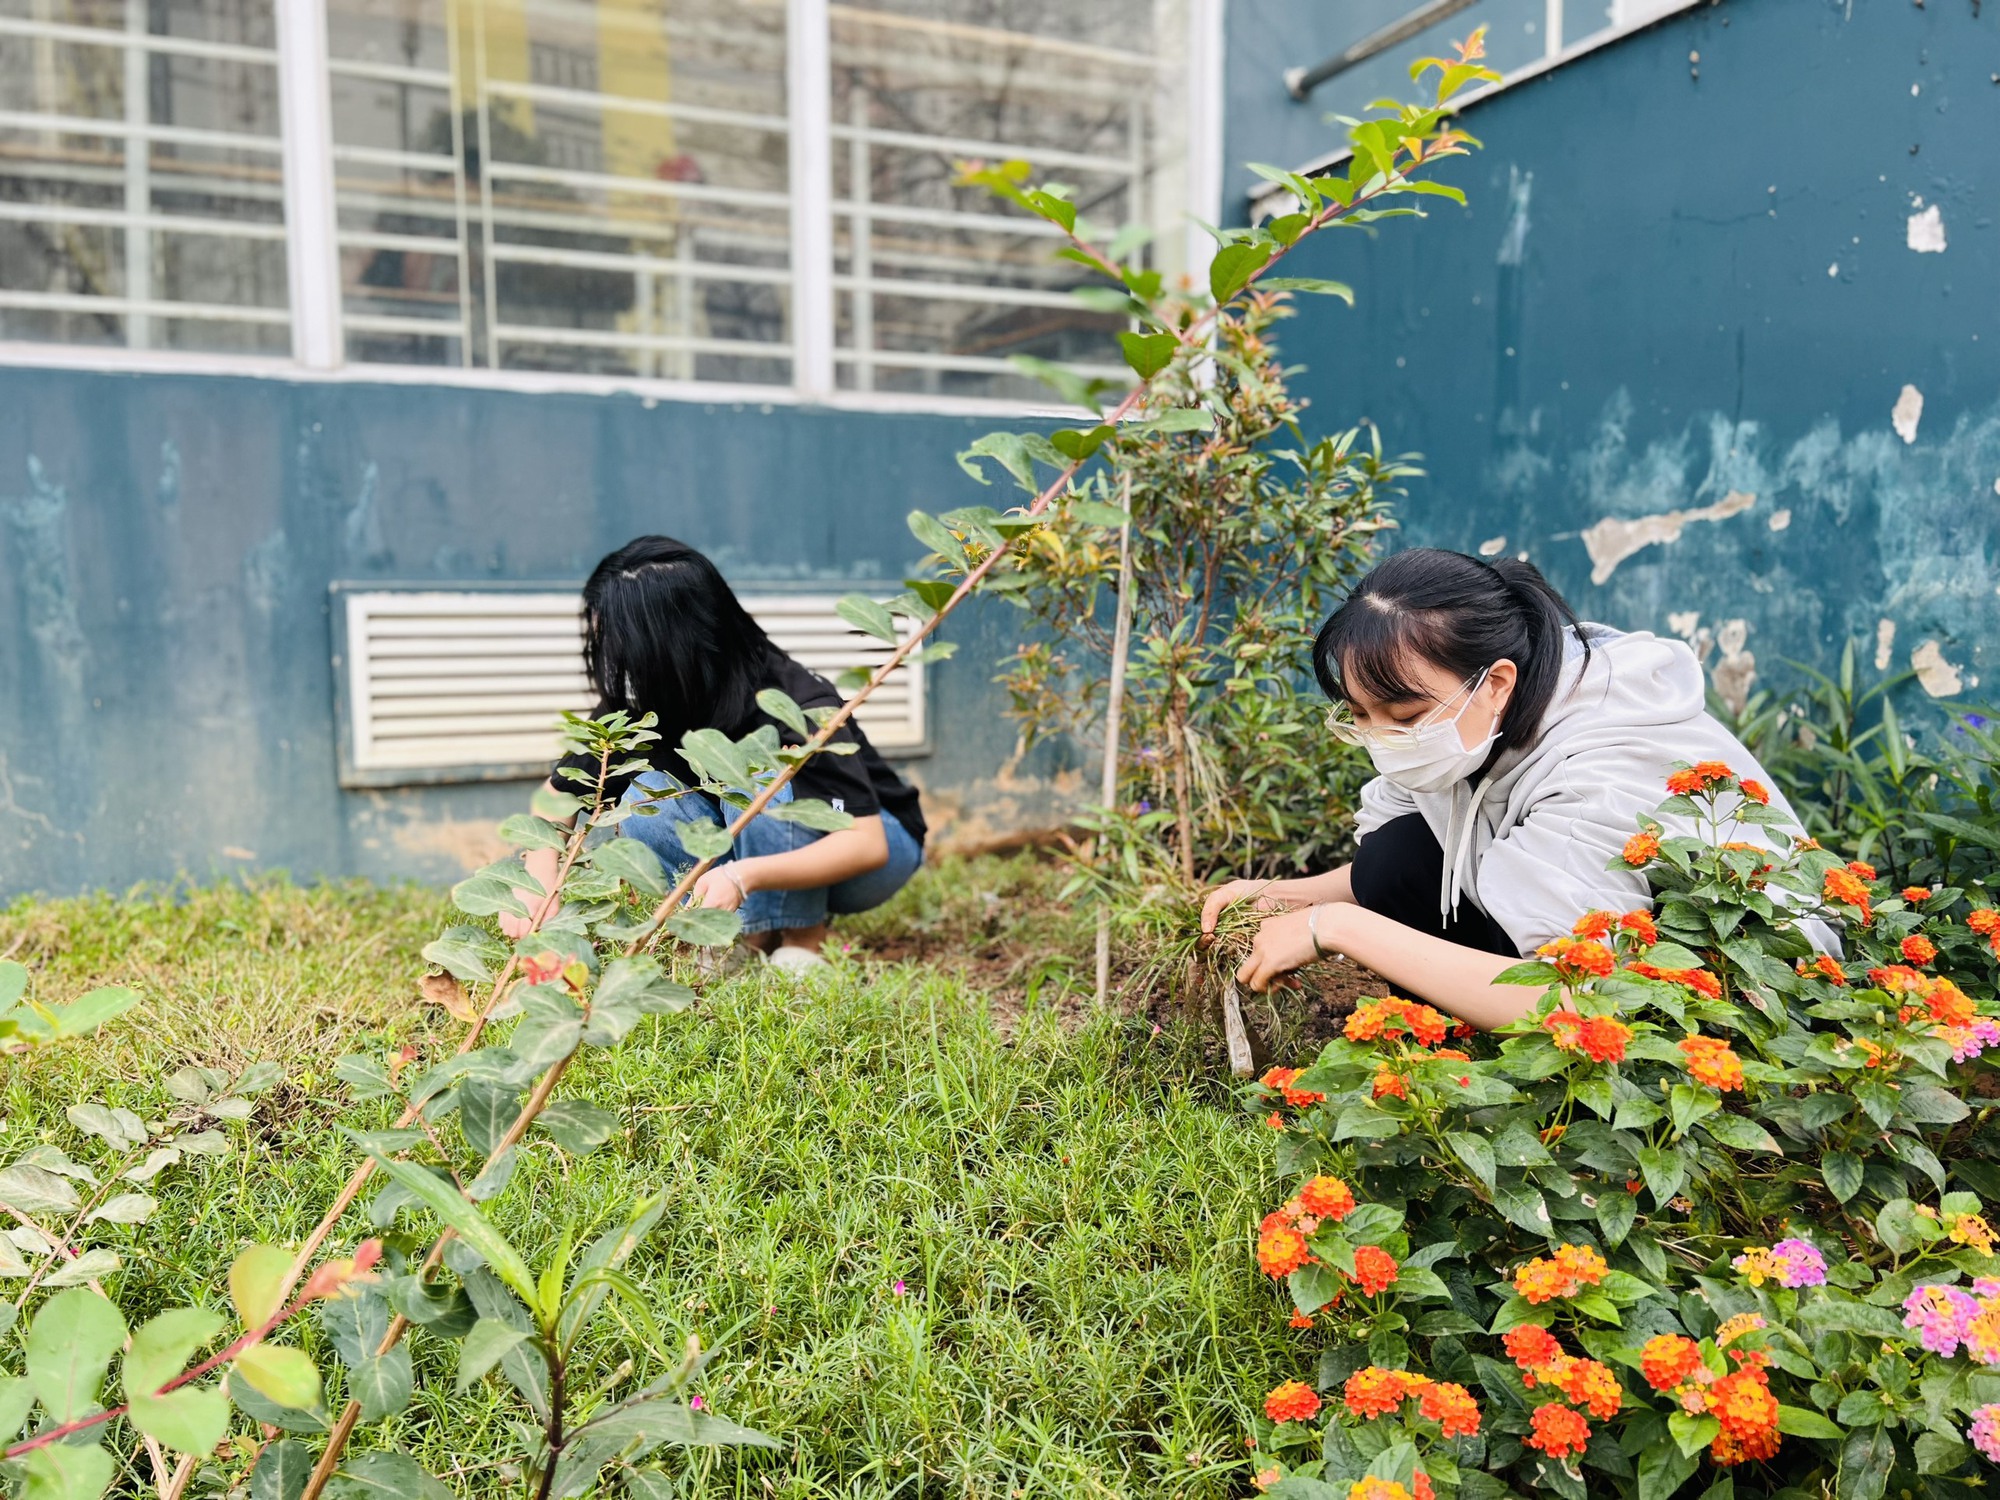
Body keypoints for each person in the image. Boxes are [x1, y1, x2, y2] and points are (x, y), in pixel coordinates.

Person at [1200, 548, 1823, 1028]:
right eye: (1360, 715)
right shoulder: (1474, 723)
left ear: (1496, 682)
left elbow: (1579, 1002)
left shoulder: (1598, 767)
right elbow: (1401, 864)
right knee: (1396, 853)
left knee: (1398, 887)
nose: (1382, 738)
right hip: (1594, 935)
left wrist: (1335, 928)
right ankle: (1459, 1046)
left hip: (1730, 991)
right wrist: (1278, 896)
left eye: (1407, 717)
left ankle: (1522, 1082)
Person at [501, 536, 926, 973]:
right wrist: (535, 881)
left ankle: (805, 938)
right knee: (648, 795)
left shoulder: (793, 701)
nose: (607, 647)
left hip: (872, 855)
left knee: (764, 778)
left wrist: (743, 876)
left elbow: (866, 844)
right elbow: (556, 797)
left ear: (667, 643)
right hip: (759, 853)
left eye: (616, 636)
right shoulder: (636, 705)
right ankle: (741, 935)